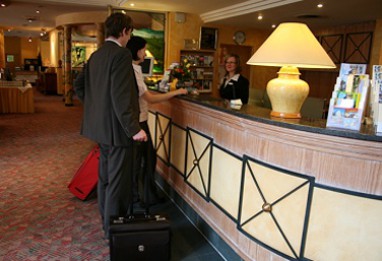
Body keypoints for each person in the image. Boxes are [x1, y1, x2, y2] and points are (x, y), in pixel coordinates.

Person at [74, 13, 147, 238]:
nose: (130, 37)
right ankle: (113, 230)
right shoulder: (121, 55)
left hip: (100, 129)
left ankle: (107, 222)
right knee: (118, 183)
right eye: (130, 32)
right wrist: (134, 129)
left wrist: (96, 107)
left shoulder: (96, 55)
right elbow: (121, 96)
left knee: (105, 178)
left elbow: (79, 85)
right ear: (125, 31)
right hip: (117, 132)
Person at [126, 36, 188, 206]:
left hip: (140, 120)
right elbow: (150, 99)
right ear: (136, 50)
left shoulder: (134, 68)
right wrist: (175, 93)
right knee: (144, 160)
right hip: (139, 122)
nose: (145, 53)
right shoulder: (133, 69)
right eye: (143, 49)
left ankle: (144, 196)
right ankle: (139, 198)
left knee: (146, 159)